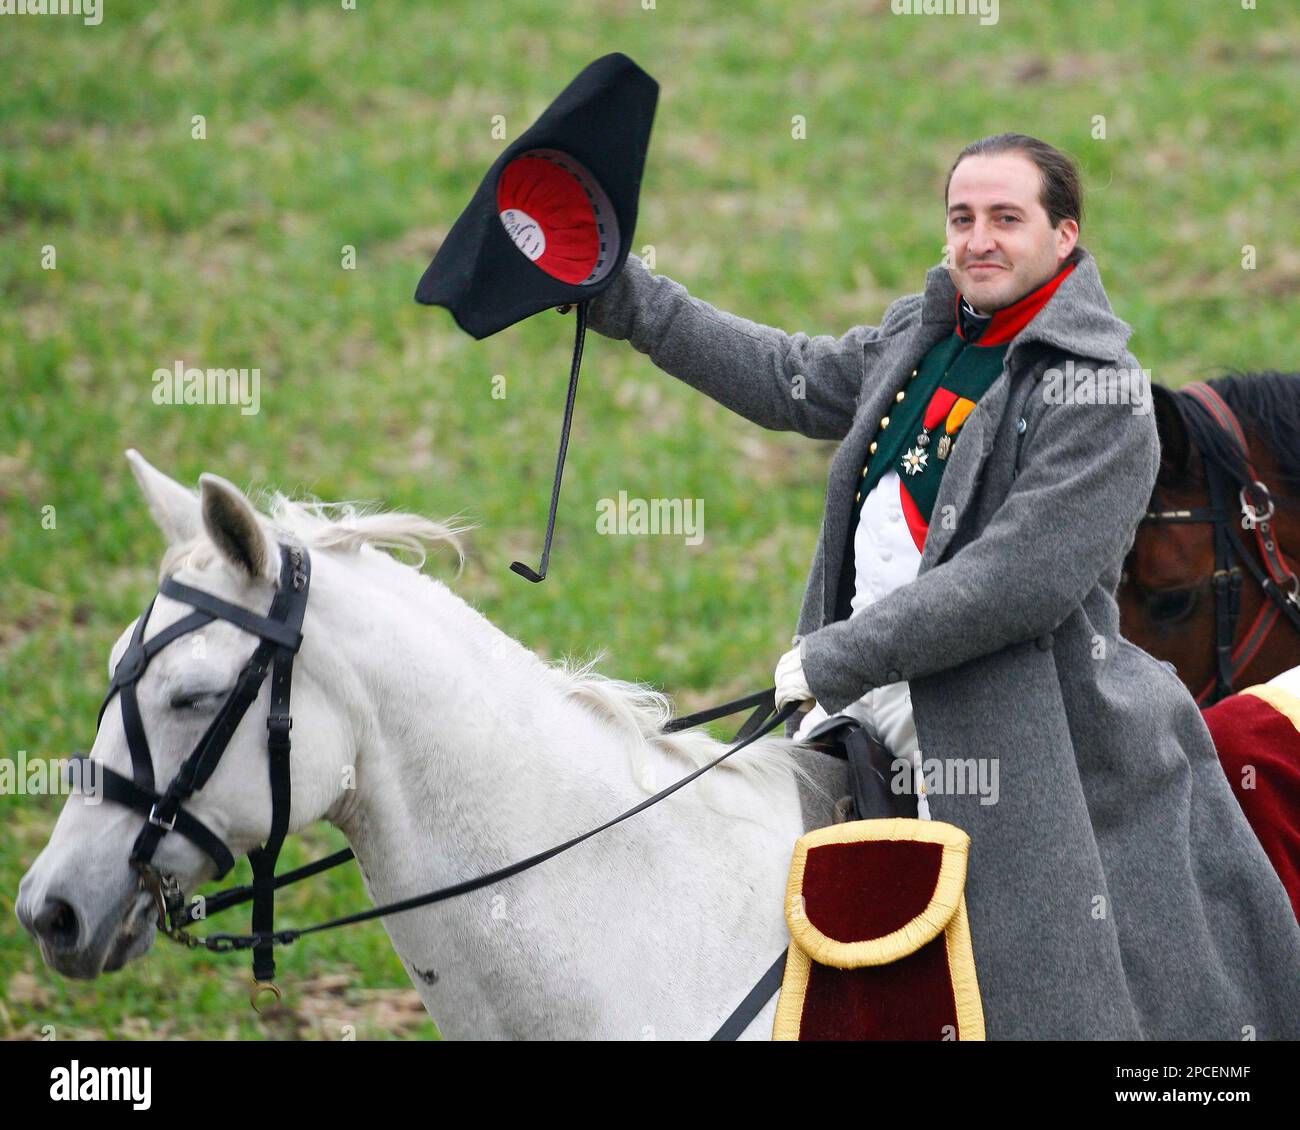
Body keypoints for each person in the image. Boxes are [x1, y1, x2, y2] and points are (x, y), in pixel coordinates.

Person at [572, 132, 1300, 1039]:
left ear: (1064, 237)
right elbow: (784, 378)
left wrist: (839, 655)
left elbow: (1015, 583)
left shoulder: (1101, 396)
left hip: (1030, 741)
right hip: (862, 703)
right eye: (963, 219)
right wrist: (622, 297)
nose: (978, 240)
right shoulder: (923, 339)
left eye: (1007, 218)